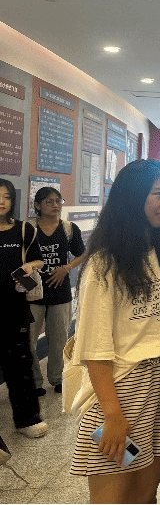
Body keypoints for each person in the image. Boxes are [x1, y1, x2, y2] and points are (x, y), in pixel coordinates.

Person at [69, 160, 160, 504]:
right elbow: (94, 348)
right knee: (113, 496)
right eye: (157, 194)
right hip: (122, 391)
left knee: (145, 494)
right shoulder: (105, 264)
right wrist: (112, 414)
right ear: (132, 197)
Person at [28, 186, 87, 396]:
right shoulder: (28, 229)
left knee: (59, 340)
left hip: (60, 293)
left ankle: (58, 378)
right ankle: (34, 382)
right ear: (38, 205)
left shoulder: (69, 228)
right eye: (49, 202)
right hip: (32, 294)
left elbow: (82, 254)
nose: (55, 206)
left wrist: (66, 268)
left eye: (58, 201)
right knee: (29, 341)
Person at [0, 178, 47, 439]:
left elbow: (38, 259)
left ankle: (27, 419)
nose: (1, 202)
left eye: (6, 197)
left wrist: (30, 266)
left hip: (14, 306)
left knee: (20, 364)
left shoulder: (23, 230)